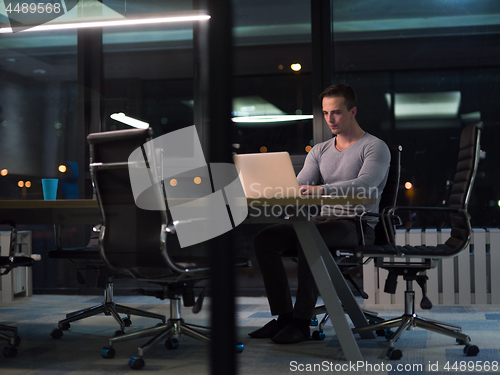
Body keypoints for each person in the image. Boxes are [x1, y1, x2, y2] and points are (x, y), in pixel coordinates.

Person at [249, 83, 391, 344]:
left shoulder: (374, 147)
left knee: (310, 238)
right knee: (265, 239)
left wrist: (318, 189)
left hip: (354, 225)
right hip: (320, 222)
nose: (330, 119)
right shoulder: (320, 150)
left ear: (353, 111)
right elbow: (300, 186)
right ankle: (284, 317)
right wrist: (280, 189)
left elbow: (365, 186)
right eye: (326, 113)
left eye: (336, 112)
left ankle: (302, 322)